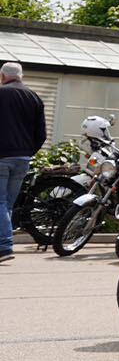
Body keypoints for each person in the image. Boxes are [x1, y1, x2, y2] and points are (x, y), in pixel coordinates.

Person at [0, 62, 47, 263]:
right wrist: (28, 152)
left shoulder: (1, 93)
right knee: (7, 203)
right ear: (21, 76)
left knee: (1, 202)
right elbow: (41, 134)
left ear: (2, 76)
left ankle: (4, 247)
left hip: (2, 157)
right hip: (23, 158)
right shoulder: (34, 97)